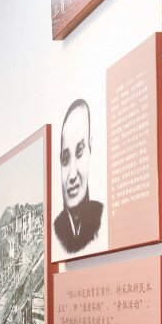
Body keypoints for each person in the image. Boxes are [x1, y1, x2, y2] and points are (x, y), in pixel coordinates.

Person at [53, 98, 105, 256]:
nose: (72, 174)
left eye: (79, 152)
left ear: (90, 149)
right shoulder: (56, 231)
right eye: (65, 159)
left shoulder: (102, 218)